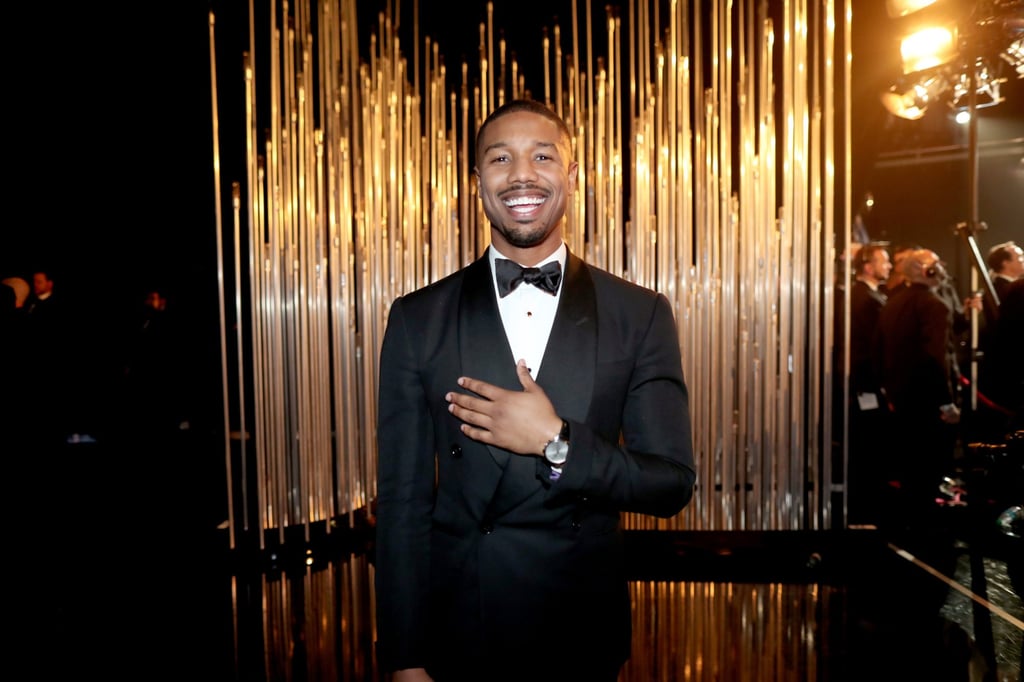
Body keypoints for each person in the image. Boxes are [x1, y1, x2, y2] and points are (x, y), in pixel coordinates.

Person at [374, 99, 697, 682]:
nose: (521, 174)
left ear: (571, 177)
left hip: (579, 631)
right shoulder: (417, 318)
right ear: (478, 183)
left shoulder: (640, 313)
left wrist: (556, 442)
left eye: (542, 156)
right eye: (500, 159)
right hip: (458, 631)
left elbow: (670, 484)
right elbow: (402, 503)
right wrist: (403, 655)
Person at [875, 249, 961, 531]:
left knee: (910, 469)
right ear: (928, 271)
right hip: (928, 402)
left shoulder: (893, 302)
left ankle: (909, 526)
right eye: (937, 265)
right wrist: (946, 403)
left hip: (901, 398)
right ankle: (928, 531)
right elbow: (937, 358)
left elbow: (883, 352)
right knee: (928, 469)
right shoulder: (934, 305)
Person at [845, 243, 891, 523]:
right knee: (866, 450)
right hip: (865, 384)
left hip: (865, 384)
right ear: (867, 266)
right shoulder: (865, 299)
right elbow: (869, 347)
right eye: (883, 261)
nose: (888, 266)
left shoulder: (869, 295)